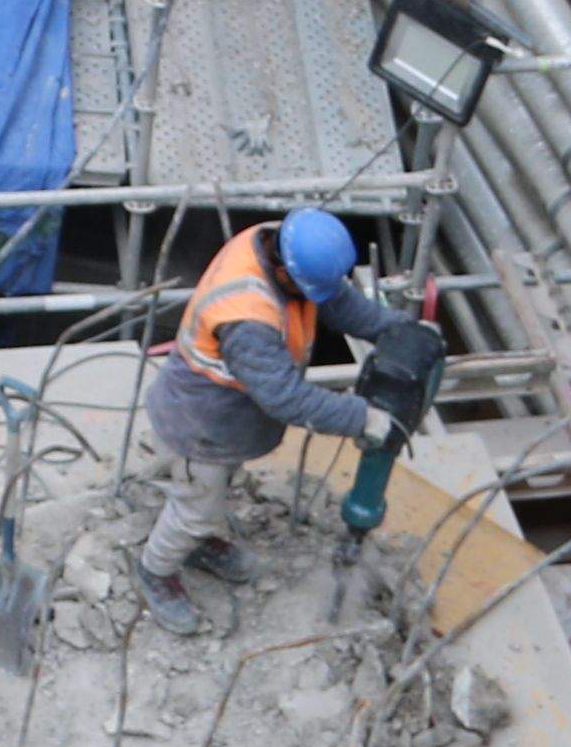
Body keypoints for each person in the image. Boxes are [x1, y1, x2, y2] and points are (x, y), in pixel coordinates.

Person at [132, 206, 426, 628]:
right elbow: (285, 398)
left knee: (213, 490)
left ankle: (198, 543)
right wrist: (360, 417)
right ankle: (155, 571)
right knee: (195, 506)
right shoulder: (248, 319)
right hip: (200, 426)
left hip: (227, 420)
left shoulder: (277, 246)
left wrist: (396, 329)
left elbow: (335, 300)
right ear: (286, 272)